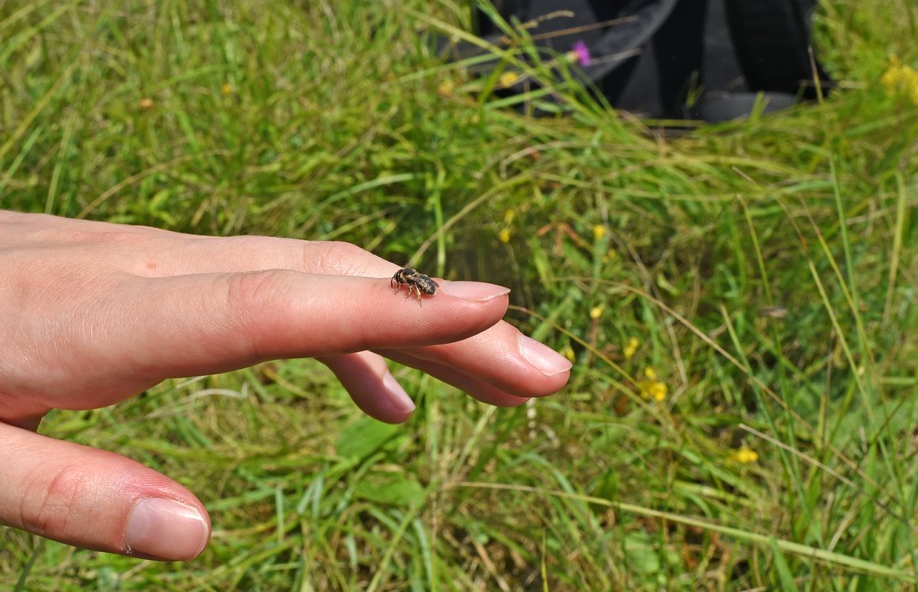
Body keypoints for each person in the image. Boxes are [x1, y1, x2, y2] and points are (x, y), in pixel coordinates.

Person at [0, 211, 571, 561]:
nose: (414, 284)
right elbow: (407, 284)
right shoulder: (408, 282)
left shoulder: (413, 284)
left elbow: (411, 285)